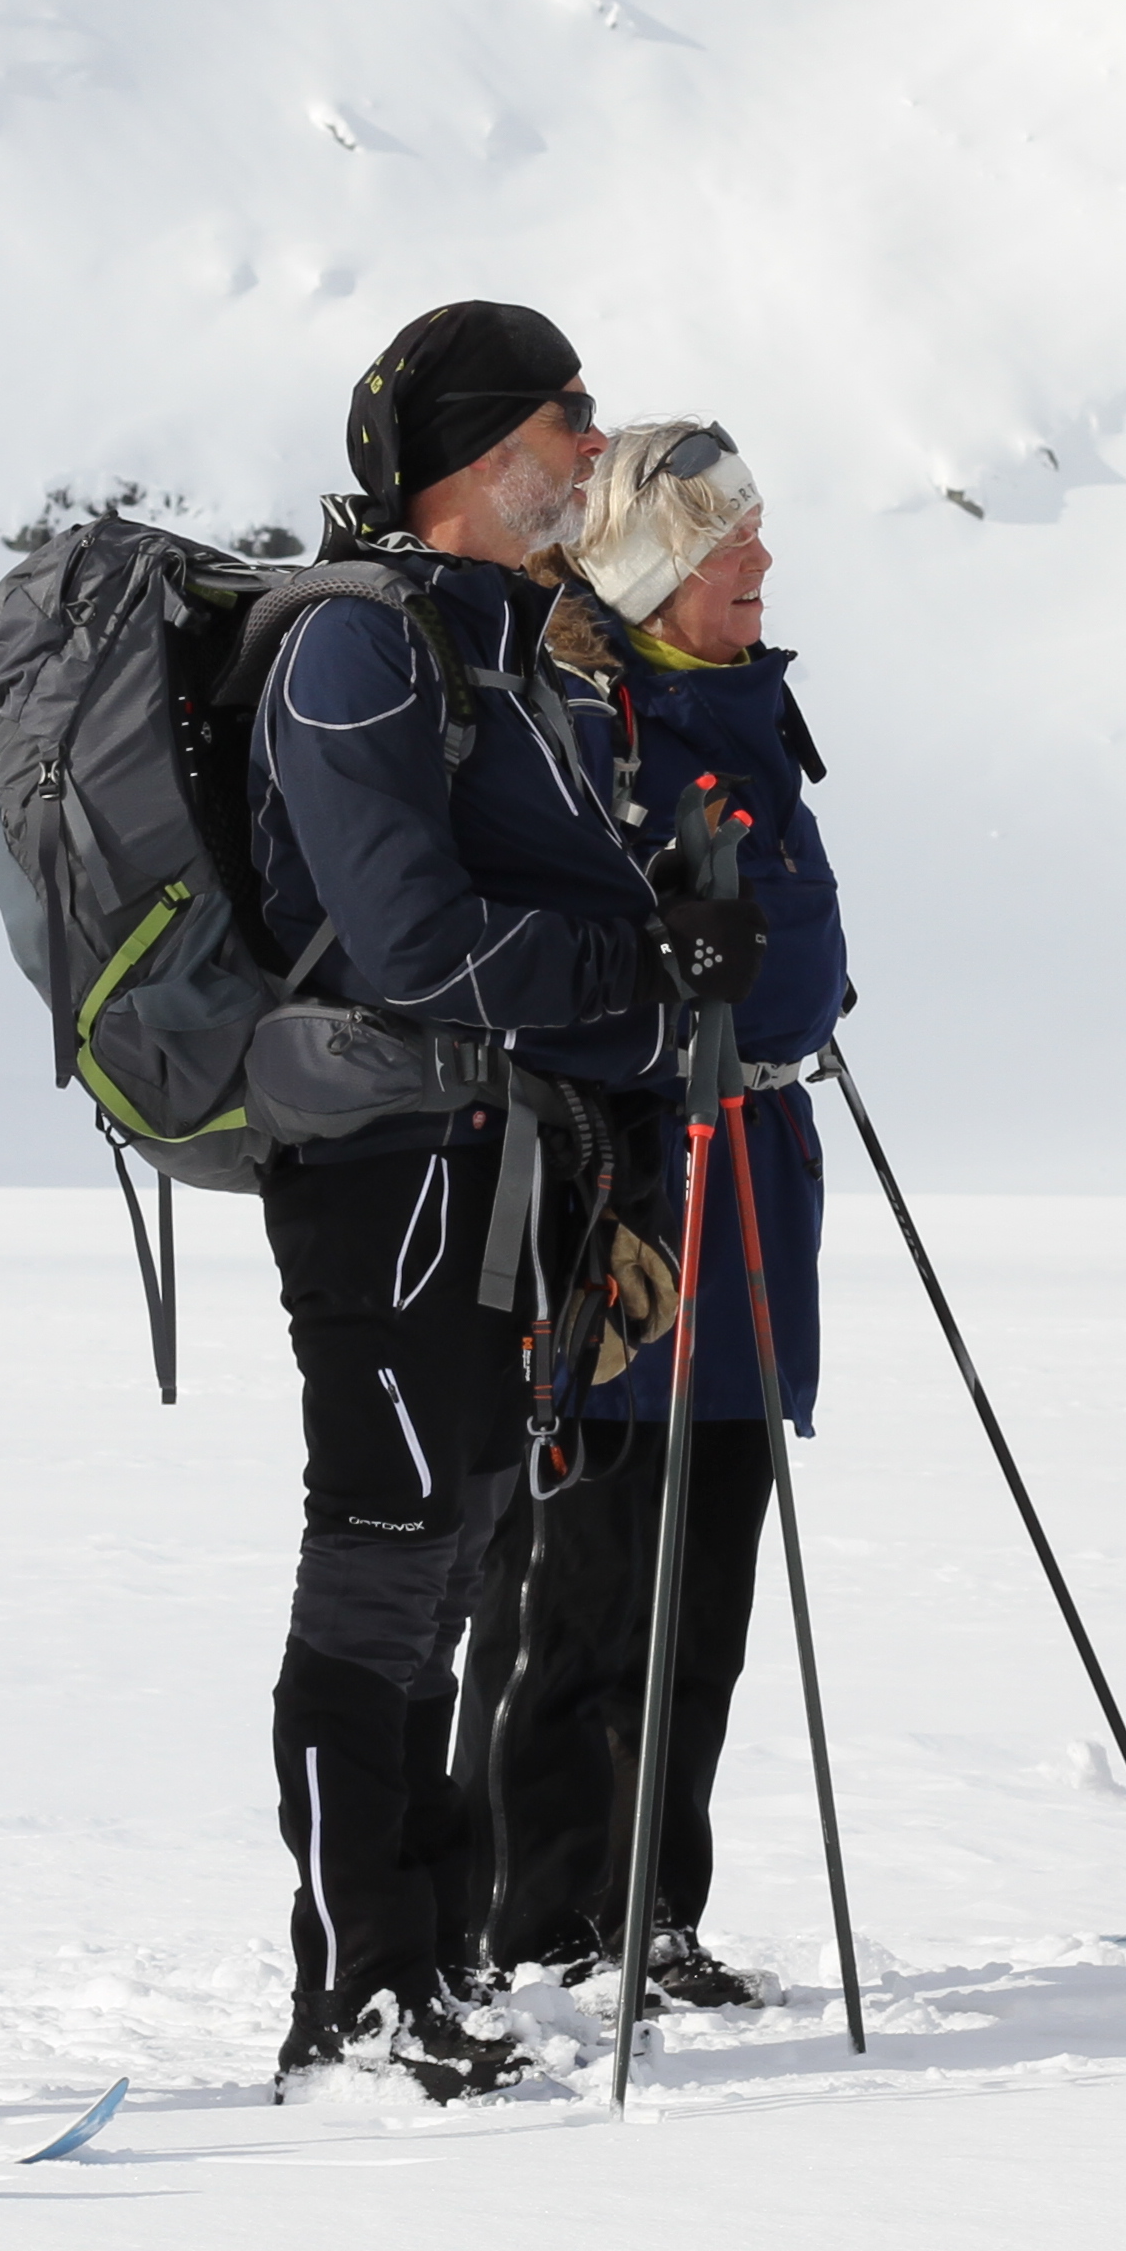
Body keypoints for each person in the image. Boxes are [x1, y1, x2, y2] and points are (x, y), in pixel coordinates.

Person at [248, 302, 768, 2099]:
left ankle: (428, 1963)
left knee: (459, 1553)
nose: (589, 444)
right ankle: (356, 1992)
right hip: (391, 1169)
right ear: (478, 455)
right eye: (568, 415)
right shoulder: (366, 655)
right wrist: (638, 964)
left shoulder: (501, 653)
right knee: (387, 1562)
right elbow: (409, 945)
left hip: (497, 1168)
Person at [471, 420, 848, 2009]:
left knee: (701, 1606)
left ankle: (648, 1916)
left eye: (752, 532)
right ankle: (550, 1921)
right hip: (628, 1200)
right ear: (639, 570)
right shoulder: (575, 729)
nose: (756, 560)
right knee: (596, 1589)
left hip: (746, 1184)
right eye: (718, 543)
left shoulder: (740, 716)